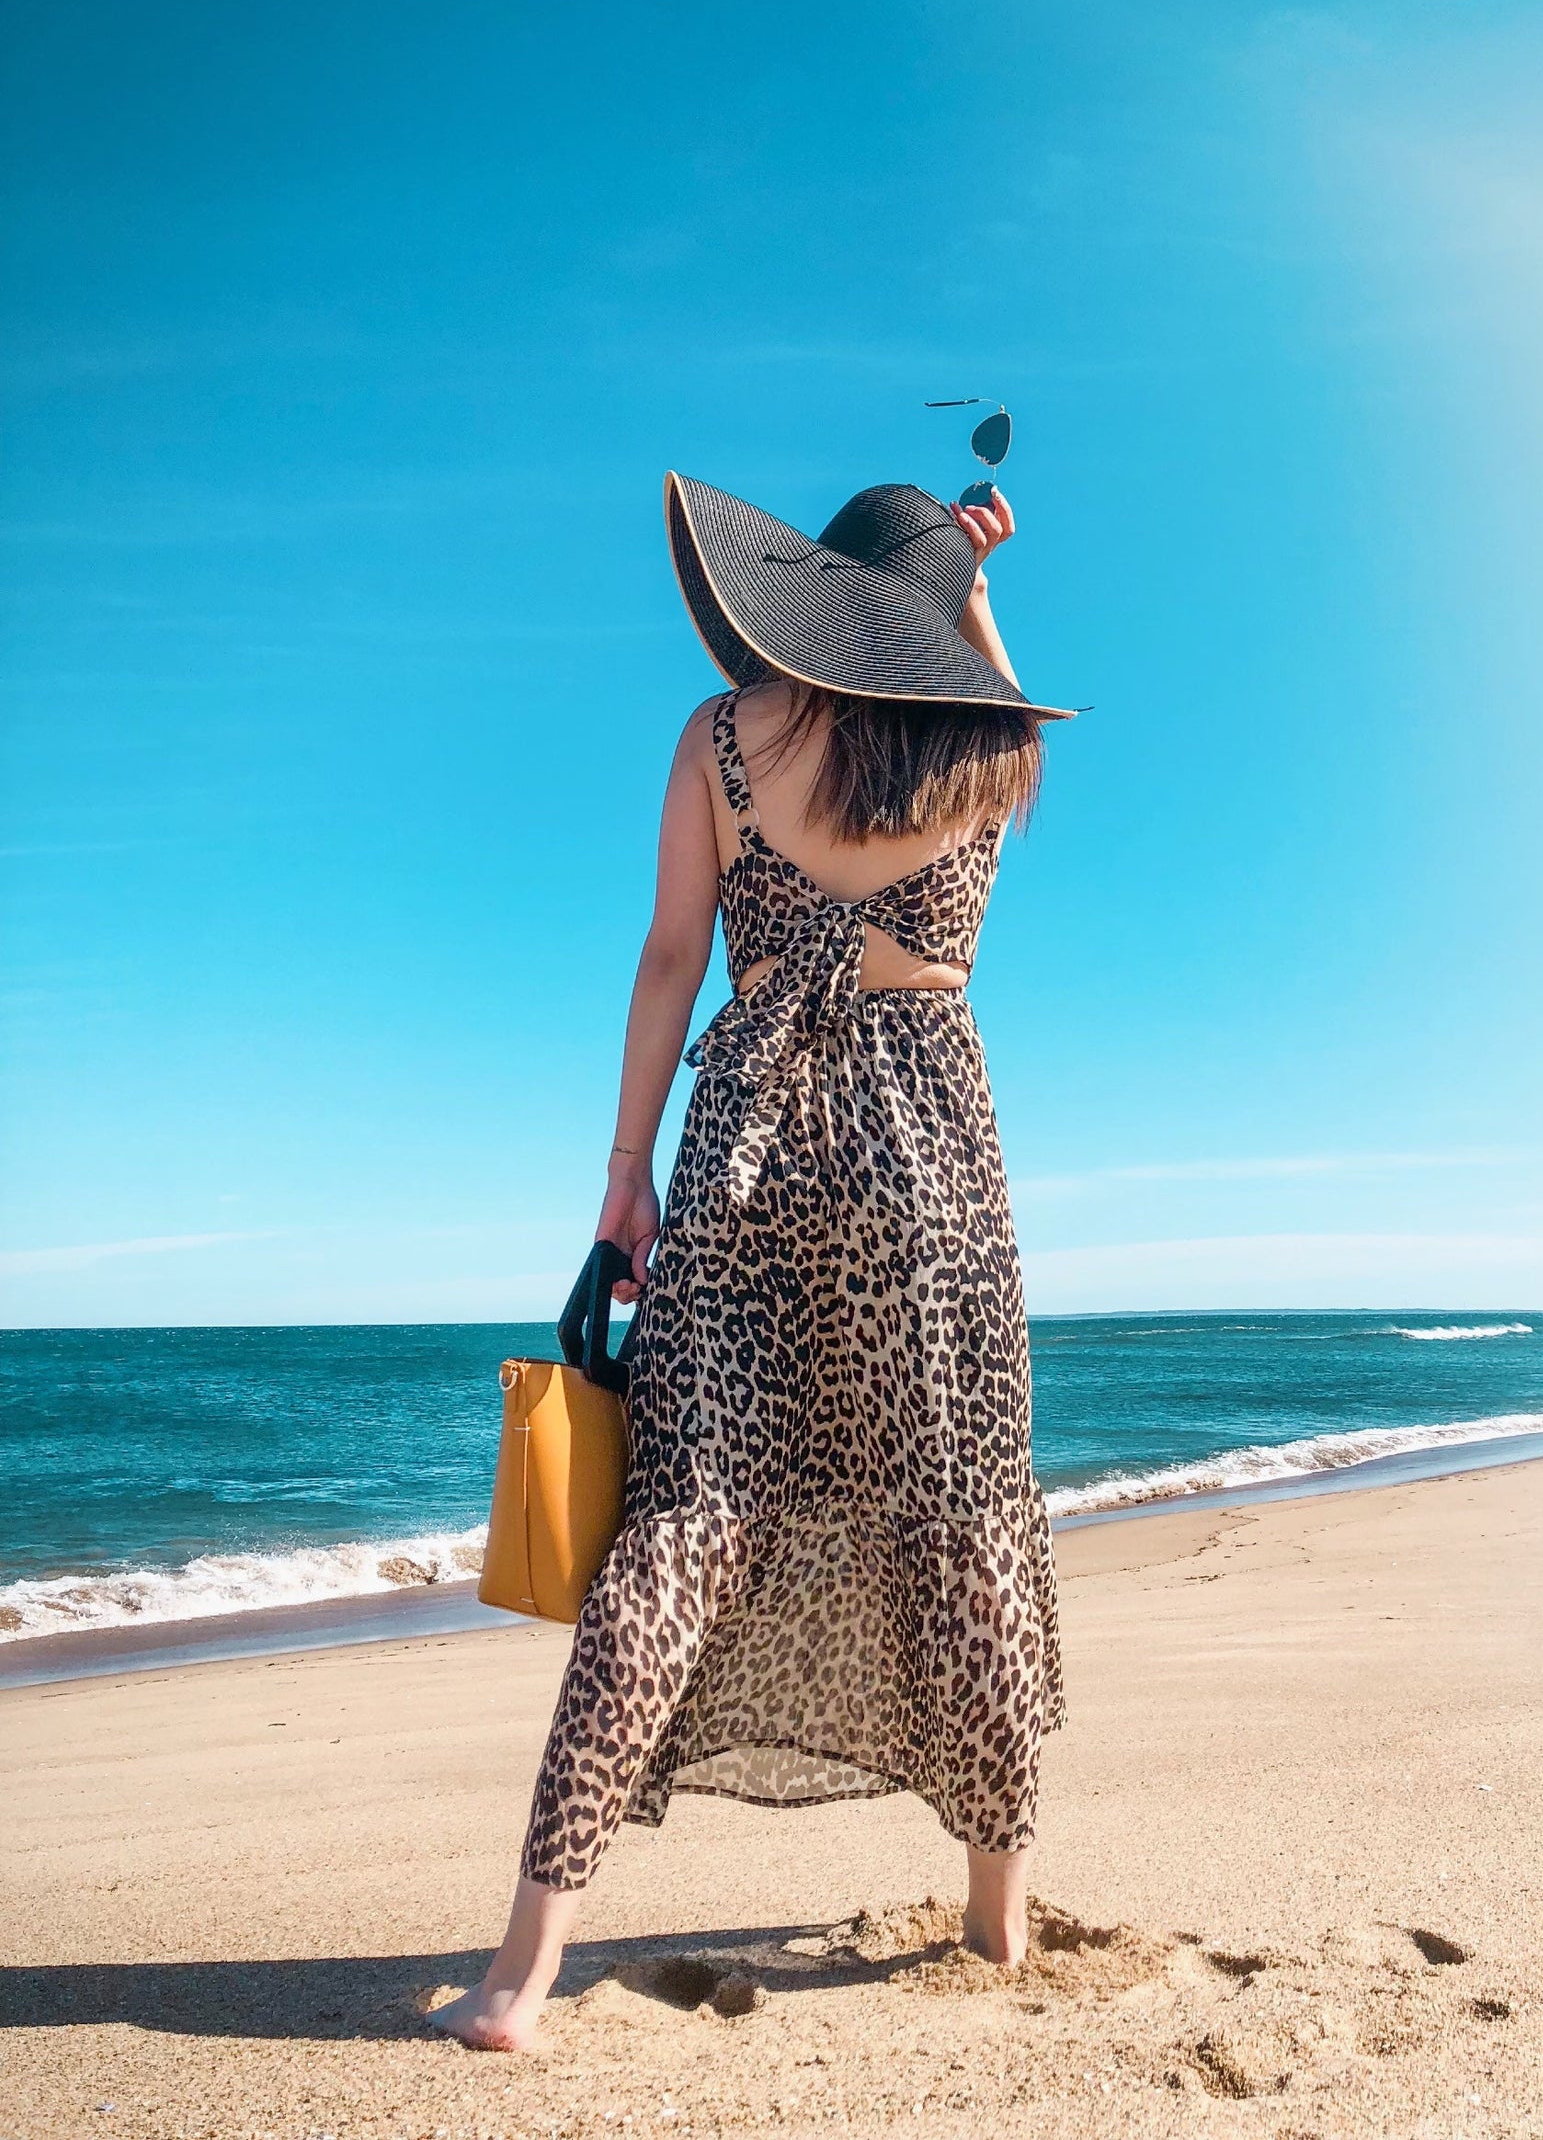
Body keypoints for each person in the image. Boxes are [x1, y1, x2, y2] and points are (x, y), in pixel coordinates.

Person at [436, 469, 1074, 2051]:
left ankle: (524, 1967)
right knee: (963, 1511)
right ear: (929, 624)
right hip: (927, 1161)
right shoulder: (990, 745)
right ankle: (996, 1914)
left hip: (741, 1148)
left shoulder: (725, 739)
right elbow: (991, 681)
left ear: (813, 596)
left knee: (681, 1526)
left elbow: (669, 953)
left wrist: (621, 1180)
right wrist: (978, 592)